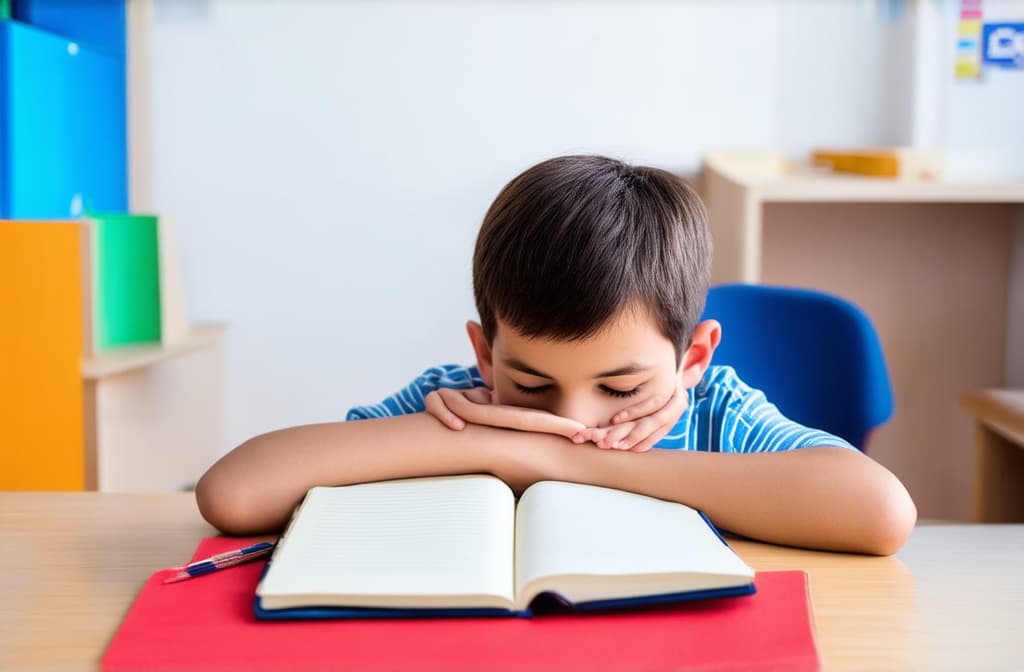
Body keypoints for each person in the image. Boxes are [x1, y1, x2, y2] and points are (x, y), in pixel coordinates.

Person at [196, 155, 916, 554]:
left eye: (622, 387)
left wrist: (549, 460)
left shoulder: (717, 409)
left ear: (693, 357)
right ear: (483, 355)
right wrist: (480, 440)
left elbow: (882, 513)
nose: (575, 420)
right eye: (533, 386)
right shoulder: (456, 406)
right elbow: (232, 493)